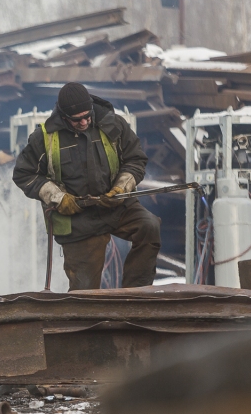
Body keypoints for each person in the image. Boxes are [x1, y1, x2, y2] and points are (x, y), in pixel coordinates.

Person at [12, 82, 160, 290]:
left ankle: (135, 295)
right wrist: (58, 198)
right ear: (64, 116)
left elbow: (135, 159)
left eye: (87, 116)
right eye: (76, 119)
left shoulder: (113, 124)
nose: (83, 122)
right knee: (84, 294)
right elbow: (24, 174)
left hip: (116, 206)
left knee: (149, 226)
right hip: (77, 221)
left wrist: (121, 188)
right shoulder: (44, 138)